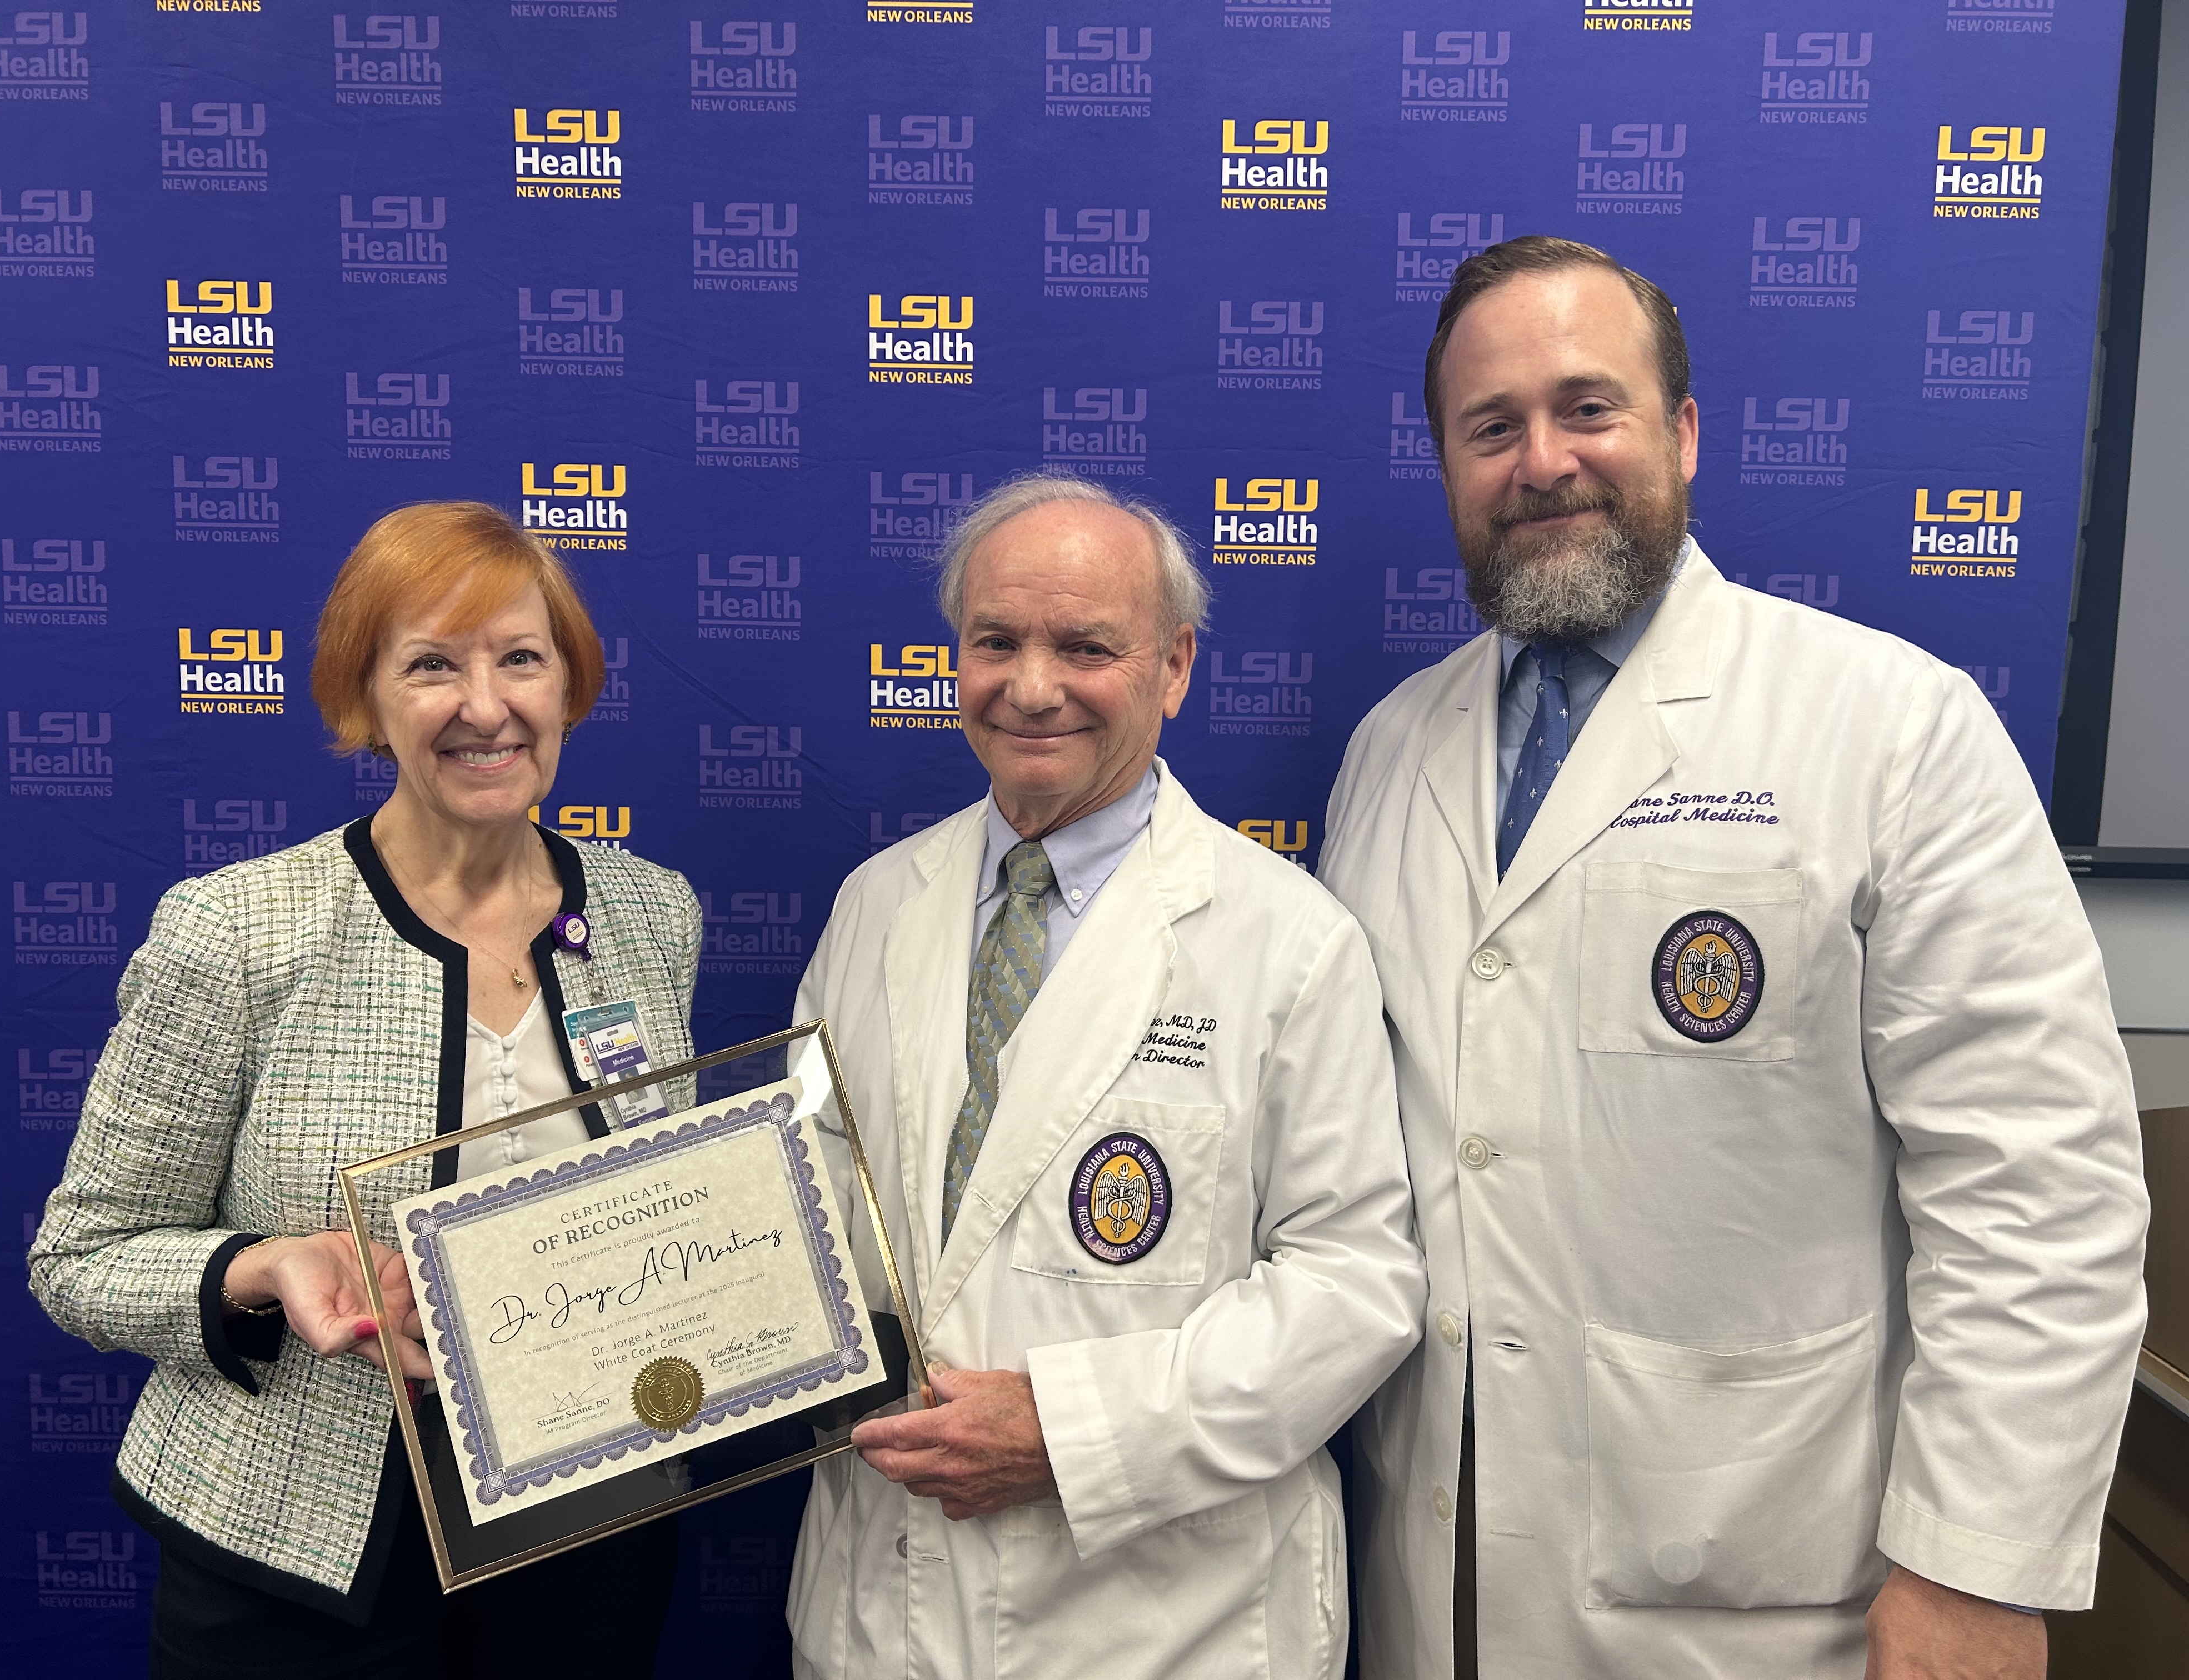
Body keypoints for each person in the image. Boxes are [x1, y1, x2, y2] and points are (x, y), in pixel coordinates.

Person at [1319, 233, 2150, 1679]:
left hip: (1767, 1581)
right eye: (1491, 427)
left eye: (1591, 407)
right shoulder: (1392, 752)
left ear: (1684, 433)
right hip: (1435, 1561)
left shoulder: (1891, 726)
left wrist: (1976, 1565)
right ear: (1447, 462)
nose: (1543, 461)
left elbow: (2037, 1182)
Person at [28, 502, 702, 1678]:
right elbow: (80, 1258)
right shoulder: (237, 931)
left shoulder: (653, 915)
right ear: (367, 700)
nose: (485, 706)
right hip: (297, 1549)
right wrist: (260, 1267)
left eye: (521, 659)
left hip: (585, 1528)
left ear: (570, 686)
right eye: (433, 664)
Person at [786, 472, 1425, 1679]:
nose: (1032, 686)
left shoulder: (1285, 939)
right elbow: (797, 1218)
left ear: (1174, 668)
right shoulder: (874, 911)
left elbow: (1355, 1283)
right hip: (886, 1612)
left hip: (1162, 1625)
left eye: (1086, 646)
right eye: (996, 642)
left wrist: (1073, 1435)